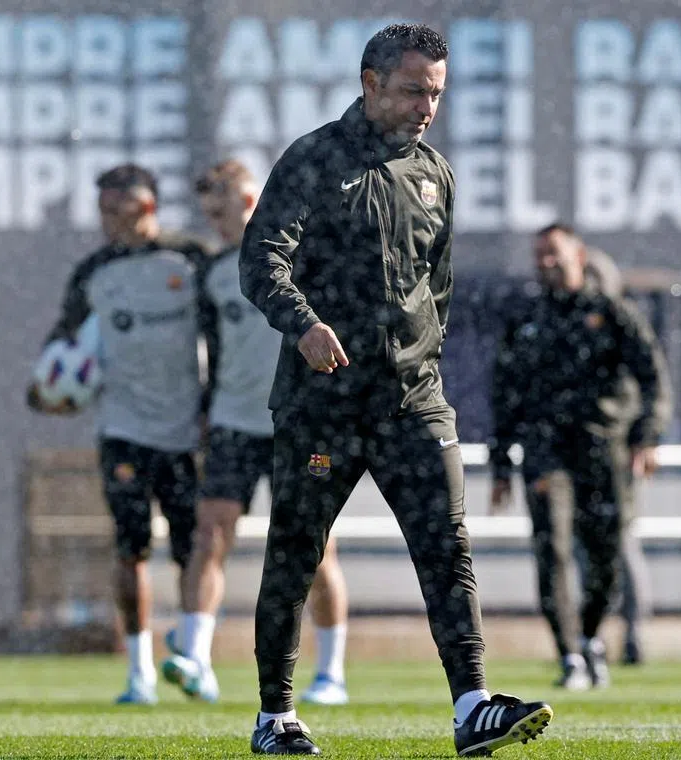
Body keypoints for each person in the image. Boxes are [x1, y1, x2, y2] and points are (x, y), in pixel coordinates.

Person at [239, 23, 552, 757]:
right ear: (370, 82)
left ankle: (472, 706)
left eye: (436, 93)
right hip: (325, 401)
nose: (426, 107)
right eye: (414, 90)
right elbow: (260, 261)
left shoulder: (435, 174)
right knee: (297, 552)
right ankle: (274, 716)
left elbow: (434, 287)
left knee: (448, 547)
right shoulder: (315, 160)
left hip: (411, 399)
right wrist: (306, 324)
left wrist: (422, 362)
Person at [161, 158, 352, 707]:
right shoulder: (216, 272)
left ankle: (331, 672)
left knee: (316, 547)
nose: (221, 223)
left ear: (255, 203)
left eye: (229, 210)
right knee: (210, 534)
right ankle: (195, 655)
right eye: (211, 215)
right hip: (233, 423)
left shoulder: (302, 259)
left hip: (301, 422)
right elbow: (212, 354)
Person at [28, 163, 212, 705]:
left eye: (118, 209)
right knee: (130, 550)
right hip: (124, 431)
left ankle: (195, 659)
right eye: (103, 210)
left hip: (185, 433)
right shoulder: (93, 273)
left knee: (192, 553)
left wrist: (211, 404)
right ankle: (139, 674)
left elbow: (223, 335)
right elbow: (59, 348)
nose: (108, 221)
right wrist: (47, 390)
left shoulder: (192, 260)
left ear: (148, 207)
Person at [488, 223, 671, 691]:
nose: (546, 263)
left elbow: (653, 377)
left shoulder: (611, 313)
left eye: (554, 253)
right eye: (539, 255)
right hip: (546, 453)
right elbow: (505, 395)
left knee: (607, 556)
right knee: (552, 550)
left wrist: (647, 437)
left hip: (604, 451)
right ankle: (569, 655)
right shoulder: (526, 318)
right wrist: (501, 463)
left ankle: (589, 637)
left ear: (579, 254)